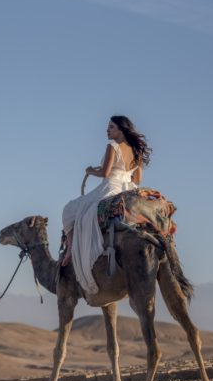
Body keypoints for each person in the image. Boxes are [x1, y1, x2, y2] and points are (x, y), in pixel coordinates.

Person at [61, 115, 152, 295]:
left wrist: (90, 171)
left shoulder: (113, 146)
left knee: (69, 210)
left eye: (111, 127)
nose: (107, 130)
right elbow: (138, 179)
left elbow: (105, 172)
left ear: (121, 129)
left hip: (111, 187)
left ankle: (71, 248)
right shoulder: (137, 151)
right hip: (129, 188)